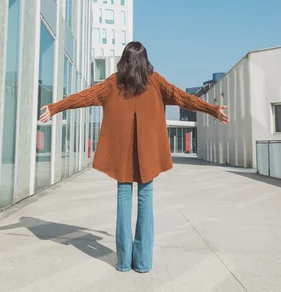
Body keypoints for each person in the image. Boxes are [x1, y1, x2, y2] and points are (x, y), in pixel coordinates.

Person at [39, 42, 229, 273]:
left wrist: (55, 107)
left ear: (124, 60)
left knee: (123, 199)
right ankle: (142, 262)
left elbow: (84, 97)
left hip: (122, 157)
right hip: (148, 156)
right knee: (146, 200)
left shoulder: (113, 83)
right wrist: (212, 109)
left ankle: (122, 262)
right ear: (145, 61)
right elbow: (183, 98)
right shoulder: (155, 82)